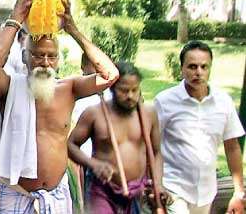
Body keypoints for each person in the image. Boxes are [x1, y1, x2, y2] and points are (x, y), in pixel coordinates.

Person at [0, 0, 119, 213]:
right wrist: (16, 17)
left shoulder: (69, 88)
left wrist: (72, 29)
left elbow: (110, 74)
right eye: (38, 55)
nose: (45, 62)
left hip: (57, 194)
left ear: (58, 61)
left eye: (51, 56)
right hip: (16, 193)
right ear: (25, 58)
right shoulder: (10, 87)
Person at [154, 41, 245, 214]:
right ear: (181, 68)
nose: (198, 72)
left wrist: (238, 191)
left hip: (206, 192)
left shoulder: (223, 102)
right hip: (172, 188)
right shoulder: (164, 101)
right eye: (192, 66)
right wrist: (155, 185)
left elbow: (232, 147)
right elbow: (150, 146)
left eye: (204, 67)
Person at [68, 62, 166, 213]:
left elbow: (156, 152)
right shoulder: (94, 114)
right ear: (112, 87)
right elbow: (71, 145)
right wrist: (94, 164)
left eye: (135, 90)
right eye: (124, 91)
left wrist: (157, 184)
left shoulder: (148, 114)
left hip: (137, 191)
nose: (130, 96)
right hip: (102, 190)